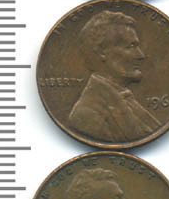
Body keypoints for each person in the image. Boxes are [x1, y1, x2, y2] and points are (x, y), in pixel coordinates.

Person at [68, 10, 160, 143]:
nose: (141, 55)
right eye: (131, 46)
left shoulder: (126, 98)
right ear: (102, 52)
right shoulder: (87, 114)